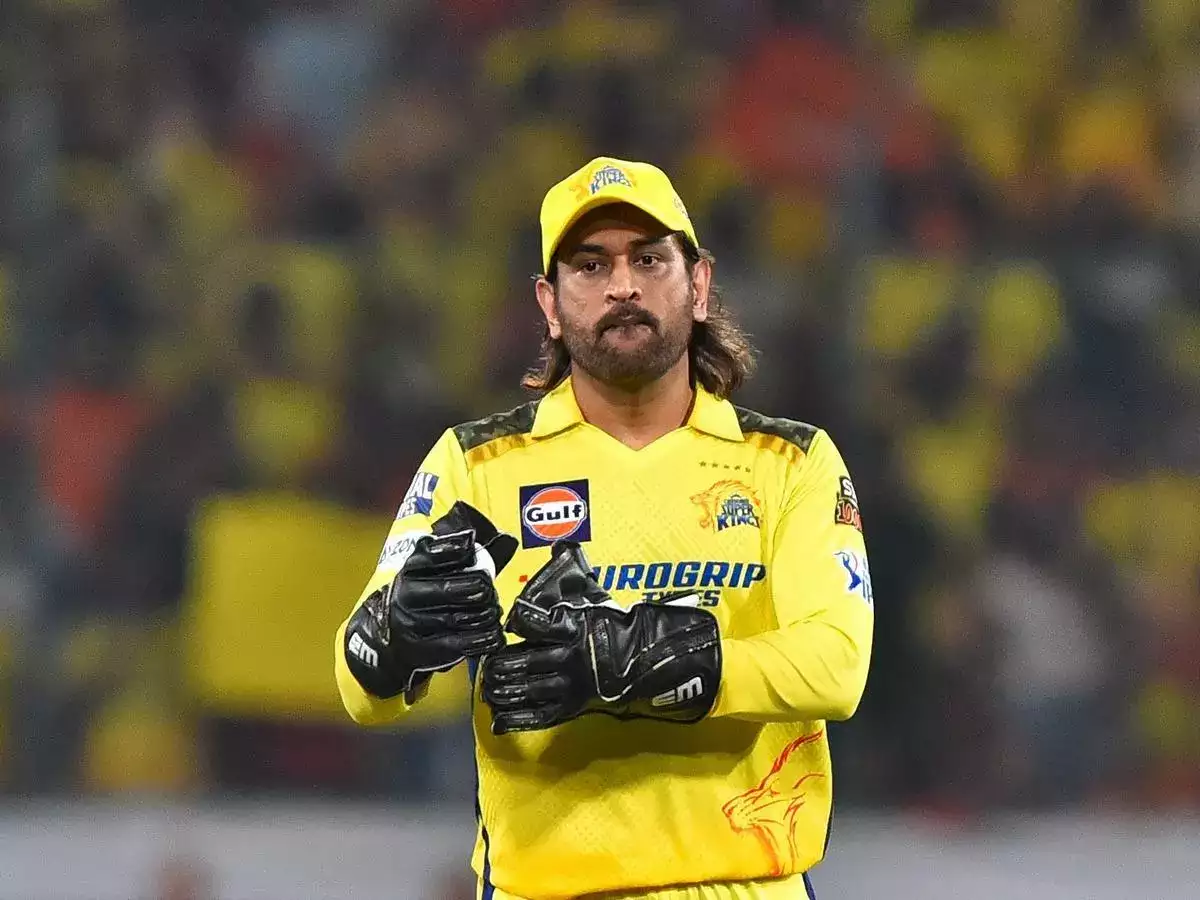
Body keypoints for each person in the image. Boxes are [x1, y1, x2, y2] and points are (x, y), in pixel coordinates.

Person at [335, 157, 873, 900]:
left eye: (649, 259)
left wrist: (640, 661)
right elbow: (359, 688)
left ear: (701, 285)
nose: (623, 285)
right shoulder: (475, 465)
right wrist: (394, 634)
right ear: (550, 304)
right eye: (590, 265)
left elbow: (838, 668)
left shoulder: (791, 462)